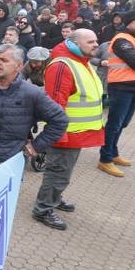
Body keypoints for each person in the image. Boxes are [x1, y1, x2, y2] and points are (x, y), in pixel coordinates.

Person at [0, 44, 68, 184]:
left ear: (18, 66)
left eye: (4, 60)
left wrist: (37, 145)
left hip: (11, 165)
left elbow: (60, 120)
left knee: (4, 206)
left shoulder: (32, 93)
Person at [33, 29, 104, 230]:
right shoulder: (63, 66)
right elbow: (55, 105)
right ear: (74, 43)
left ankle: (54, 198)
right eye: (90, 41)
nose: (96, 44)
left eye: (96, 40)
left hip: (78, 132)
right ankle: (43, 209)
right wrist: (59, 136)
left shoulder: (81, 60)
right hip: (66, 134)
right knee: (57, 172)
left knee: (63, 172)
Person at [96, 11, 135, 176]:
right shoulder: (121, 39)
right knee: (114, 124)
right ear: (128, 22)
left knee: (123, 123)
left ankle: (113, 153)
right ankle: (105, 159)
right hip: (121, 86)